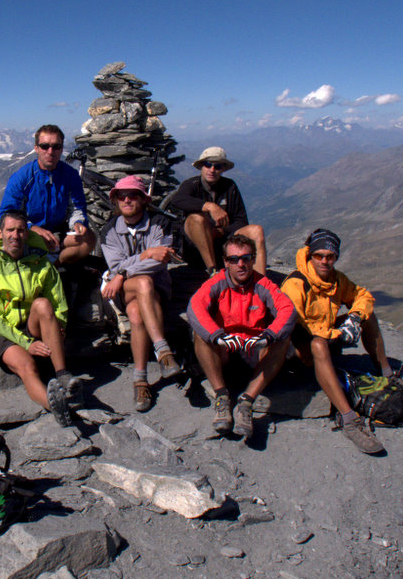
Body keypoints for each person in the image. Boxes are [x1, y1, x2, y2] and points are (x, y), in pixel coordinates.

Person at [281, 228, 403, 454]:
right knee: (318, 343)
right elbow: (302, 325)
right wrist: (340, 334)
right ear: (310, 254)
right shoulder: (295, 284)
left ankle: (387, 375)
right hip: (299, 351)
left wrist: (354, 318)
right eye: (319, 255)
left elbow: (362, 295)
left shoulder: (336, 279)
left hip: (326, 339)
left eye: (330, 256)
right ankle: (349, 420)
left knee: (367, 315)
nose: (324, 261)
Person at [0, 209, 82, 426]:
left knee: (42, 304)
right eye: (10, 230)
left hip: (32, 325)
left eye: (20, 230)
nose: (15, 235)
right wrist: (26, 343)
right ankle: (57, 407)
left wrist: (59, 325)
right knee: (27, 367)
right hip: (3, 332)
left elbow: (58, 302)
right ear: (0, 233)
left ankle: (62, 374)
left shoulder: (40, 264)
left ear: (27, 234)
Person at [187, 234, 295, 439]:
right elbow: (195, 307)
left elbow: (287, 309)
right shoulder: (217, 283)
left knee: (283, 339)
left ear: (254, 259)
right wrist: (217, 336)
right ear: (225, 262)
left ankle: (246, 401)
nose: (241, 264)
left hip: (254, 347)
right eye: (233, 259)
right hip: (226, 347)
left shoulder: (263, 285)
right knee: (200, 335)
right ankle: (221, 396)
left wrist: (269, 336)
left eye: (246, 258)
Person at [100, 175, 183, 411]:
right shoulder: (109, 230)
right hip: (124, 290)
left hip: (156, 290)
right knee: (143, 282)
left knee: (136, 313)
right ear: (115, 200)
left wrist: (124, 271)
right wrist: (145, 255)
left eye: (133, 195)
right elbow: (116, 266)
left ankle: (140, 380)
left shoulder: (160, 223)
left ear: (143, 200)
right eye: (121, 196)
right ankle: (163, 351)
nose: (127, 200)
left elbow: (162, 259)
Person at [0, 124, 95, 266]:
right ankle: (51, 264)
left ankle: (55, 266)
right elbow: (6, 214)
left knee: (89, 238)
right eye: (45, 146)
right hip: (29, 233)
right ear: (36, 148)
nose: (50, 151)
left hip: (58, 232)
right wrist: (33, 228)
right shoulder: (22, 177)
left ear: (61, 149)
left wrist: (77, 224)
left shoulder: (70, 175)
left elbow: (77, 208)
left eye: (56, 147)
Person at [170, 147, 267, 276]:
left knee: (256, 230)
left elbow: (241, 221)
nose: (212, 170)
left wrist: (220, 232)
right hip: (196, 250)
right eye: (208, 165)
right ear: (201, 167)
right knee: (196, 219)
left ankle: (261, 283)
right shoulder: (191, 185)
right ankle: (213, 271)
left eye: (218, 166)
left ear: (223, 169)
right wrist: (209, 206)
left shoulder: (230, 186)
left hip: (224, 246)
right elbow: (177, 200)